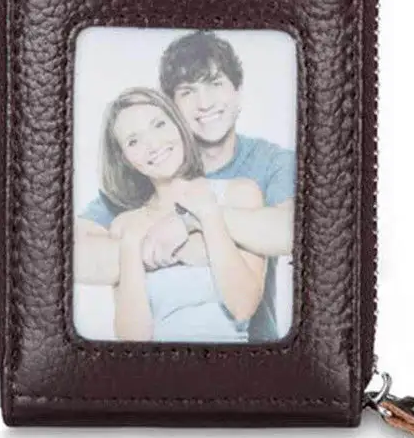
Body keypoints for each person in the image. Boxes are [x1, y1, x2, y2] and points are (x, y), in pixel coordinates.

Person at [75, 30, 295, 340]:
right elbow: (66, 255)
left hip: (254, 352)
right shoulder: (128, 212)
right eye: (188, 91)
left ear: (238, 92)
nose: (204, 103)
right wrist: (143, 245)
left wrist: (190, 222)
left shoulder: (258, 173)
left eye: (215, 83)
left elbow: (300, 231)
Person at [100, 87, 266, 342]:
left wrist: (206, 215)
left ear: (178, 125)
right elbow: (132, 341)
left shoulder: (238, 194)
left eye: (159, 125)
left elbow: (243, 307)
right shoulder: (125, 225)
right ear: (124, 159)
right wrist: (132, 245)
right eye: (134, 141)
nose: (153, 145)